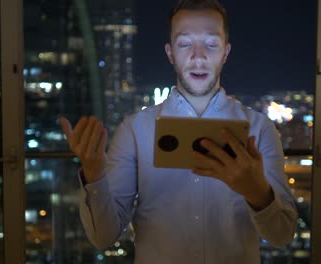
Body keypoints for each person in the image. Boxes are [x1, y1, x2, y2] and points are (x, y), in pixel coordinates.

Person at [59, 0, 298, 263]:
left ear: (225, 53)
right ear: (170, 52)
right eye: (185, 44)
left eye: (211, 44)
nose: (198, 56)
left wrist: (257, 193)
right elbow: (104, 237)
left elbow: (283, 234)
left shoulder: (259, 129)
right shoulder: (136, 130)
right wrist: (94, 174)